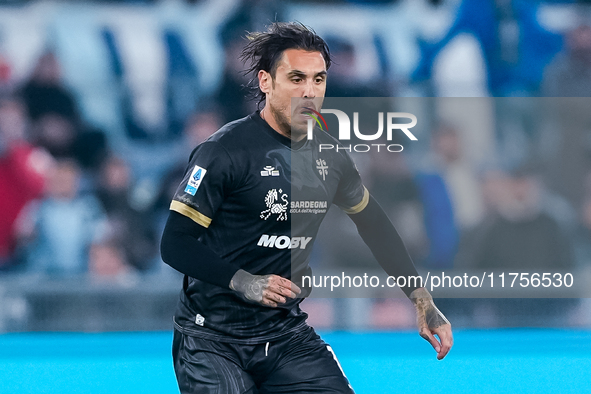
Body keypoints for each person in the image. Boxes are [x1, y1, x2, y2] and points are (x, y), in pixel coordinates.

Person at [160, 22, 453, 394]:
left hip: (285, 335)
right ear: (266, 82)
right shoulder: (223, 151)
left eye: (319, 79)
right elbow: (175, 243)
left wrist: (421, 298)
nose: (309, 92)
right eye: (296, 78)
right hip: (212, 340)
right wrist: (244, 281)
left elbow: (374, 225)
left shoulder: (330, 156)